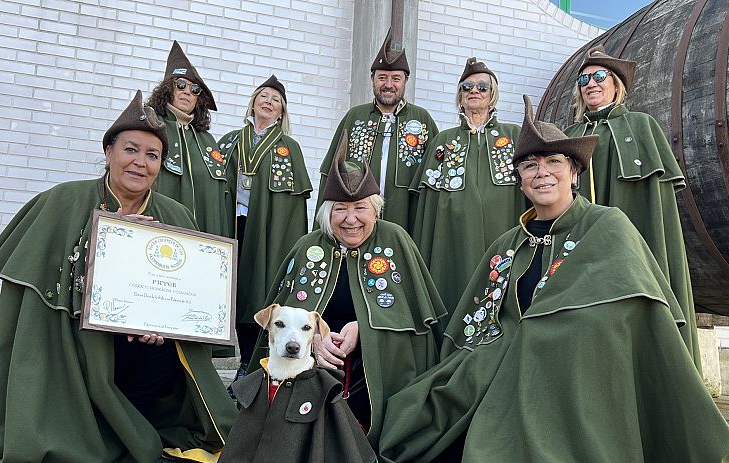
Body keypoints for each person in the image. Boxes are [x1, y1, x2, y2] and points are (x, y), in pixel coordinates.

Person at [378, 96, 729, 463]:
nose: (542, 173)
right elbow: (474, 319)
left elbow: (625, 309)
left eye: (554, 162)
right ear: (518, 178)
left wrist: (541, 331)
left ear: (575, 172)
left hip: (580, 367)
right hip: (502, 359)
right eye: (530, 165)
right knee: (404, 425)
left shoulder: (606, 225)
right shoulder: (507, 243)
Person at [0, 91, 237, 463]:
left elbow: (188, 296)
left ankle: (127, 417)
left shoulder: (175, 215)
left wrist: (166, 325)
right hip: (71, 343)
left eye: (152, 155)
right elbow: (33, 302)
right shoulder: (61, 201)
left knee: (162, 357)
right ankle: (78, 421)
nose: (140, 162)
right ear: (108, 152)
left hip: (139, 357)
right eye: (131, 150)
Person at [247, 131, 446, 449]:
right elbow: (279, 320)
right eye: (340, 209)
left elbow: (416, 329)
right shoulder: (307, 246)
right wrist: (311, 338)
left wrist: (364, 331)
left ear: (375, 209)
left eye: (361, 208)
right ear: (327, 213)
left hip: (374, 373)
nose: (351, 219)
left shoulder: (396, 239)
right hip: (311, 363)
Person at [564, 45, 701, 370]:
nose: (591, 83)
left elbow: (658, 206)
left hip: (632, 239)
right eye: (584, 79)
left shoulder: (641, 125)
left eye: (600, 76)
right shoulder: (569, 136)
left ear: (616, 85)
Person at [411, 57, 524, 320]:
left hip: (504, 233)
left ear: (492, 95)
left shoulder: (514, 136)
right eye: (467, 86)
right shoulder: (443, 140)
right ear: (460, 97)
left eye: (482, 87)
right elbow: (428, 209)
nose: (474, 91)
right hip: (452, 242)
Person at [218, 75, 312, 378]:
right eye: (263, 96)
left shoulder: (289, 147)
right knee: (233, 291)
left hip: (266, 233)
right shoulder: (231, 140)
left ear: (282, 111)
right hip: (232, 226)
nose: (268, 102)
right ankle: (236, 356)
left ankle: (250, 364)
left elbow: (292, 208)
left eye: (275, 99)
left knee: (257, 292)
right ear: (253, 102)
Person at [315, 29, 438, 230]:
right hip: (356, 220)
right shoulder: (355, 117)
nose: (388, 85)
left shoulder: (422, 119)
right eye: (382, 77)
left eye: (396, 78)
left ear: (405, 81)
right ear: (372, 79)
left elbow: (434, 177)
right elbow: (331, 173)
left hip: (407, 217)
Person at [147, 41, 229, 237]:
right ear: (168, 89)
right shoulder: (151, 126)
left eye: (195, 90)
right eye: (181, 85)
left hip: (200, 240)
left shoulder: (207, 141)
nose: (187, 92)